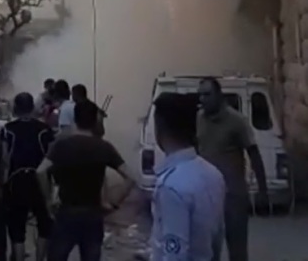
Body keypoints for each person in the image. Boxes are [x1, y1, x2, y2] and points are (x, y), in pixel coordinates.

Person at [37, 100, 134, 261]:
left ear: (75, 119)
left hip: (66, 213)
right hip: (93, 215)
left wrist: (48, 201)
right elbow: (131, 177)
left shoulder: (61, 145)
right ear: (95, 121)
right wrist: (114, 203)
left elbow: (40, 171)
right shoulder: (104, 147)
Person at [197, 77, 268, 261]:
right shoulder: (199, 119)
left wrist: (263, 191)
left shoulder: (237, 121)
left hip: (233, 196)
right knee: (208, 250)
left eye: (207, 94)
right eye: (200, 95)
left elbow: (254, 154)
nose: (203, 99)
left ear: (219, 95)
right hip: (208, 196)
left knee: (237, 251)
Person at [151, 93, 225, 261]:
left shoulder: (171, 186)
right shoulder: (213, 173)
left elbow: (175, 255)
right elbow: (217, 239)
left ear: (159, 127)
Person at [0, 93, 54, 261]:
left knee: (17, 227)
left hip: (16, 180)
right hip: (40, 180)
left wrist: (2, 184)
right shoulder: (45, 129)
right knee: (44, 223)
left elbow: (4, 159)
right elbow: (51, 157)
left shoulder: (8, 129)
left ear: (15, 108)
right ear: (32, 107)